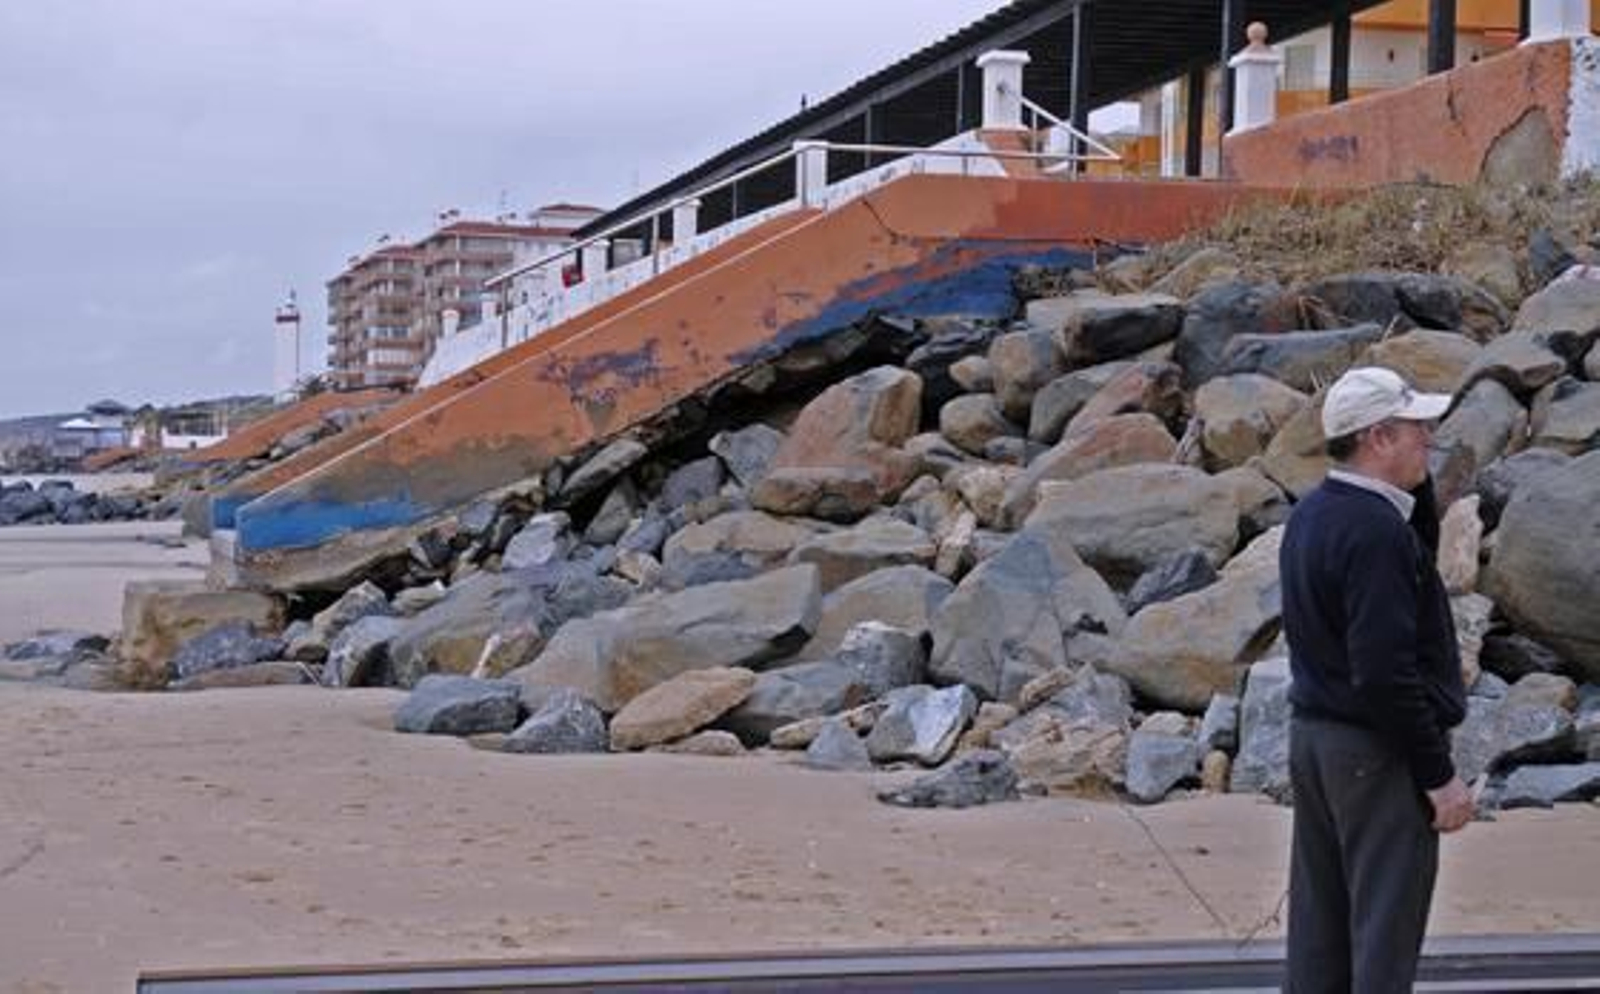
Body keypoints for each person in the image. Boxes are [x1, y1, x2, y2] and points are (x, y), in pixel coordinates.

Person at [1279, 366, 1473, 993]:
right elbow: (1385, 672)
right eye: (1418, 429)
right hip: (1373, 752)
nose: (1430, 440)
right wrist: (1438, 777)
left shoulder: (1316, 514)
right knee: (1383, 944)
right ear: (1379, 438)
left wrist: (1415, 505)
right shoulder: (1373, 532)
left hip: (1316, 742)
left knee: (1320, 937)